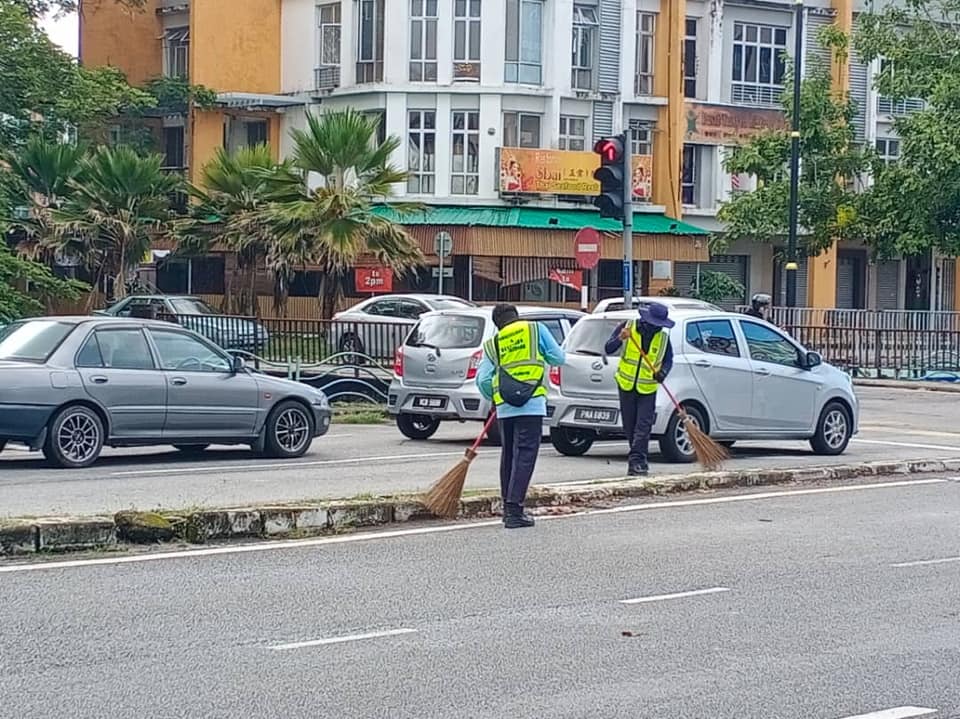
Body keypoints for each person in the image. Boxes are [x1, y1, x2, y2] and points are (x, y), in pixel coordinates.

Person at [477, 304, 565, 529]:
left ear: (498, 324)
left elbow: (483, 380)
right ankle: (515, 511)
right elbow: (558, 358)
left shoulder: (493, 343)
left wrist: (495, 398)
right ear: (516, 316)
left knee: (509, 456)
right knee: (525, 454)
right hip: (531, 403)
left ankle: (508, 507)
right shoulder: (535, 330)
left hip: (505, 407)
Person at [604, 302, 675, 477]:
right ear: (646, 320)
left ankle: (637, 462)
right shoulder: (628, 328)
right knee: (630, 426)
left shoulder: (663, 338)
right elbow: (608, 348)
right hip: (626, 385)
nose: (657, 328)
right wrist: (620, 338)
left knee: (643, 426)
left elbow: (668, 360)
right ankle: (637, 457)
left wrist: (662, 373)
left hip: (647, 388)